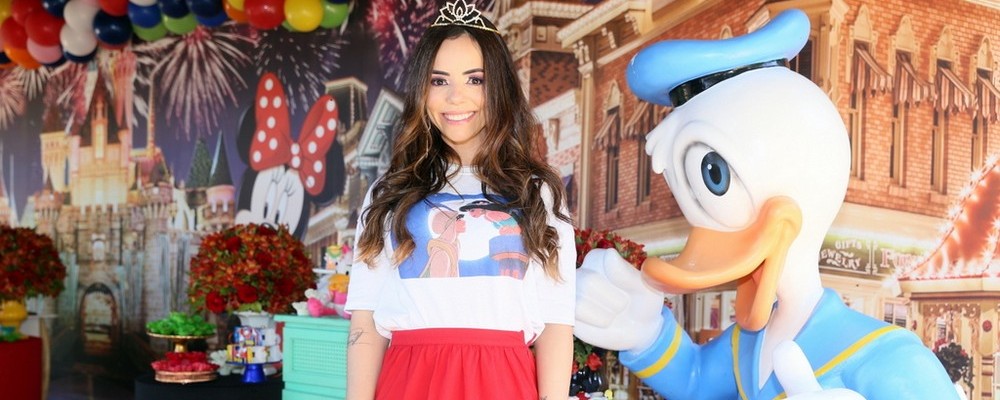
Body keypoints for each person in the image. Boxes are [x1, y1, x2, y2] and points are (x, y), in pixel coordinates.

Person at [343, 1, 576, 399]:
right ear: (422, 90)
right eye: (439, 81)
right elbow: (365, 321)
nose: (455, 97)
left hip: (503, 383)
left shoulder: (538, 192)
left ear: (499, 86)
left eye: (475, 79)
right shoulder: (387, 193)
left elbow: (556, 324)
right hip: (409, 382)